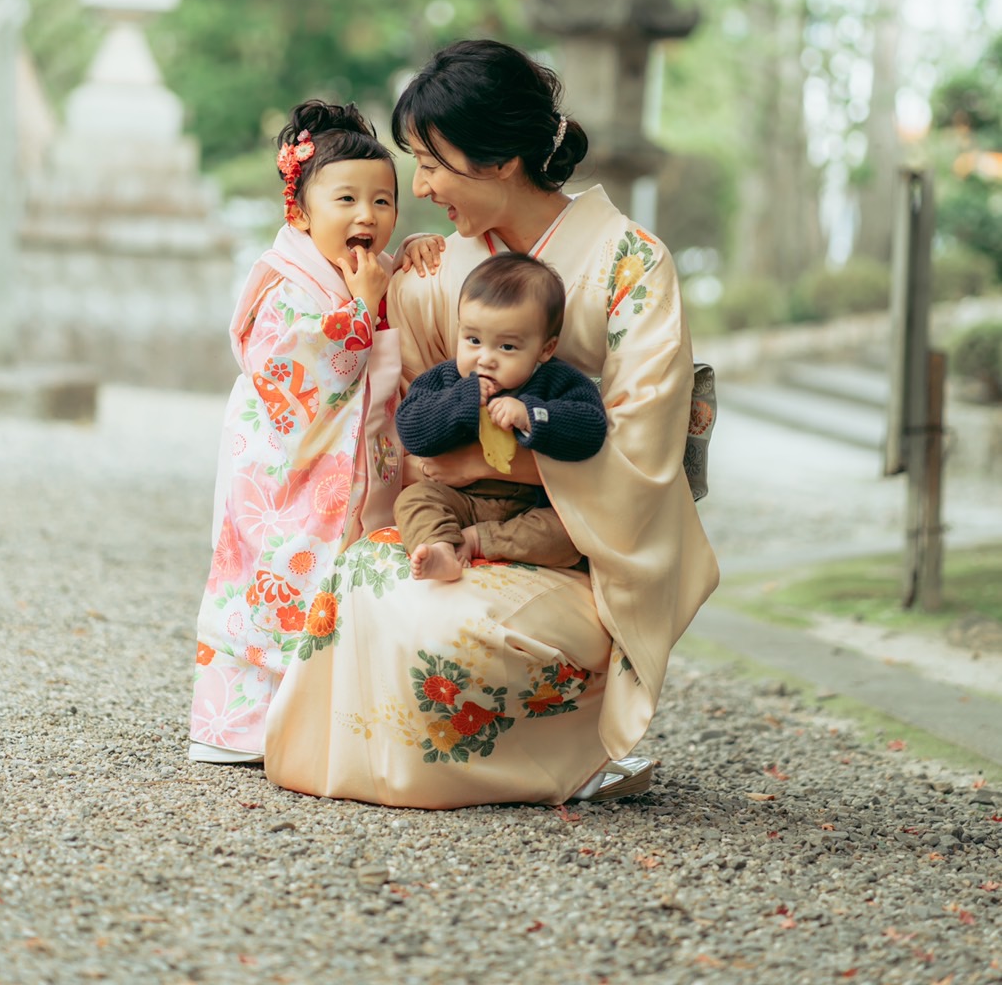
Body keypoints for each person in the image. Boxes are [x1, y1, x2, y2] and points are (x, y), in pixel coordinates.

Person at [264, 41, 720, 808]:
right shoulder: (435, 268)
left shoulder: (633, 264)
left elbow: (642, 448)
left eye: (432, 162)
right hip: (458, 525)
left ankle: (573, 754)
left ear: (501, 160)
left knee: (453, 631)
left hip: (575, 550)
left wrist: (487, 463)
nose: (420, 186)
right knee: (369, 577)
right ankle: (408, 761)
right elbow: (416, 436)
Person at [189, 100, 403, 764]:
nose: (367, 217)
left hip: (333, 465)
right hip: (280, 466)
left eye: (383, 201)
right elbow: (294, 367)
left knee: (332, 589)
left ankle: (316, 729)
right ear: (301, 212)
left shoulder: (368, 272)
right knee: (272, 583)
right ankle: (239, 730)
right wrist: (361, 312)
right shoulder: (284, 281)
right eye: (347, 199)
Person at [394, 252, 606, 580]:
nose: (485, 359)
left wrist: (531, 415)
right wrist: (460, 401)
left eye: (507, 347)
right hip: (459, 498)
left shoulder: (556, 380)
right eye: (474, 340)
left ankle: (479, 540)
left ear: (545, 349)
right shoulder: (449, 379)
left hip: (532, 507)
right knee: (413, 500)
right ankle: (439, 547)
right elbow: (411, 427)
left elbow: (591, 428)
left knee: (572, 534)